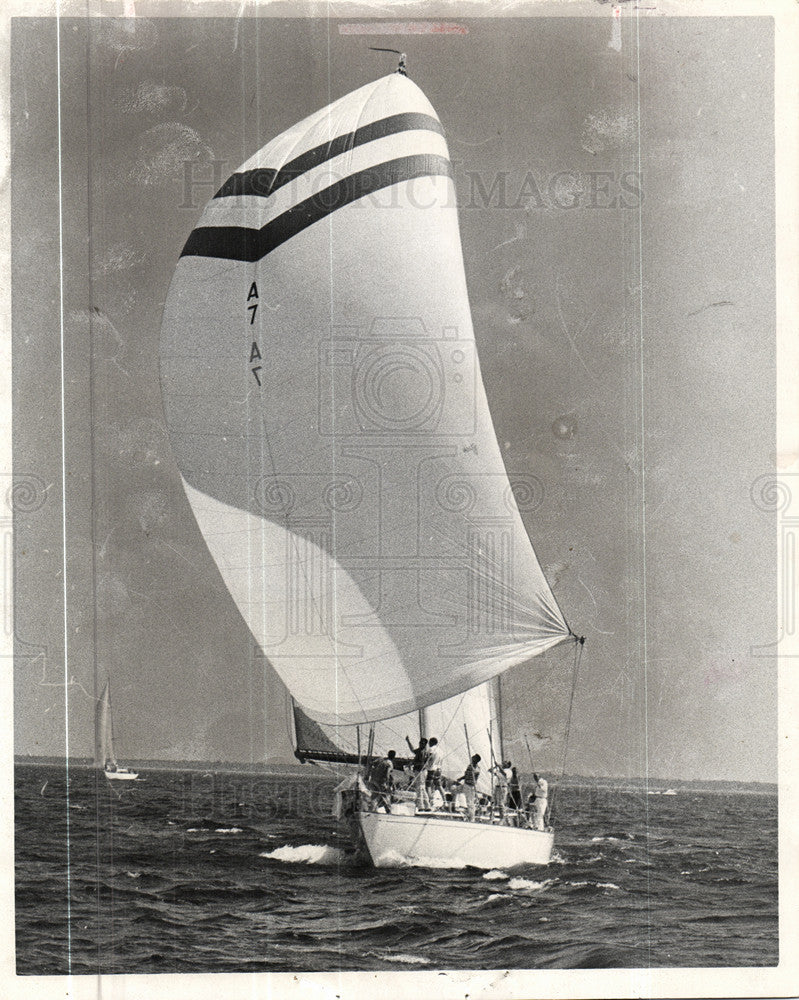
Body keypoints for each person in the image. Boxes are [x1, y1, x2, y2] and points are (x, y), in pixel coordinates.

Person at [455, 754, 481, 822]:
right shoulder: (469, 766)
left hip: (470, 786)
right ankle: (457, 808)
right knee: (454, 789)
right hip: (466, 784)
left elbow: (476, 773)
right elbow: (466, 775)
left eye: (473, 758)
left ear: (476, 760)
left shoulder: (476, 768)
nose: (472, 758)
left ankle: (472, 818)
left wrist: (473, 769)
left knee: (470, 802)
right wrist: (460, 779)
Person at [426, 737, 445, 806]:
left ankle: (430, 802)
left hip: (432, 769)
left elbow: (429, 759)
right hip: (439, 769)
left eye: (429, 742)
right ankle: (445, 801)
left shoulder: (431, 749)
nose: (428, 744)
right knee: (439, 785)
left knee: (428, 785)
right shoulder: (441, 751)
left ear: (432, 742)